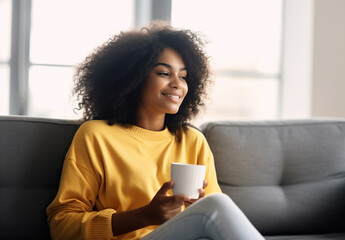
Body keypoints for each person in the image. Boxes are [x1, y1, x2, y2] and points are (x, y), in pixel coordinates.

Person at [46, 21, 264, 240]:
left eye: (184, 76)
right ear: (133, 78)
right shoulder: (96, 136)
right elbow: (61, 225)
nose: (178, 84)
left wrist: (196, 207)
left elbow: (214, 215)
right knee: (216, 205)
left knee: (215, 204)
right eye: (164, 73)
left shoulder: (192, 140)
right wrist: (144, 216)